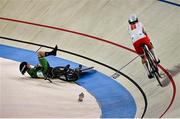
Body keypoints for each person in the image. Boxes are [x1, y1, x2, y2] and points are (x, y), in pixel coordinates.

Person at [128, 14, 160, 79]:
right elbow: (144, 32)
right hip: (143, 38)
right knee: (150, 45)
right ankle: (156, 59)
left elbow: (132, 36)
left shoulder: (128, 28)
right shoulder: (139, 23)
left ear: (129, 22)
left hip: (135, 43)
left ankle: (148, 73)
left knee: (143, 57)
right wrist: (148, 41)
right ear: (136, 20)